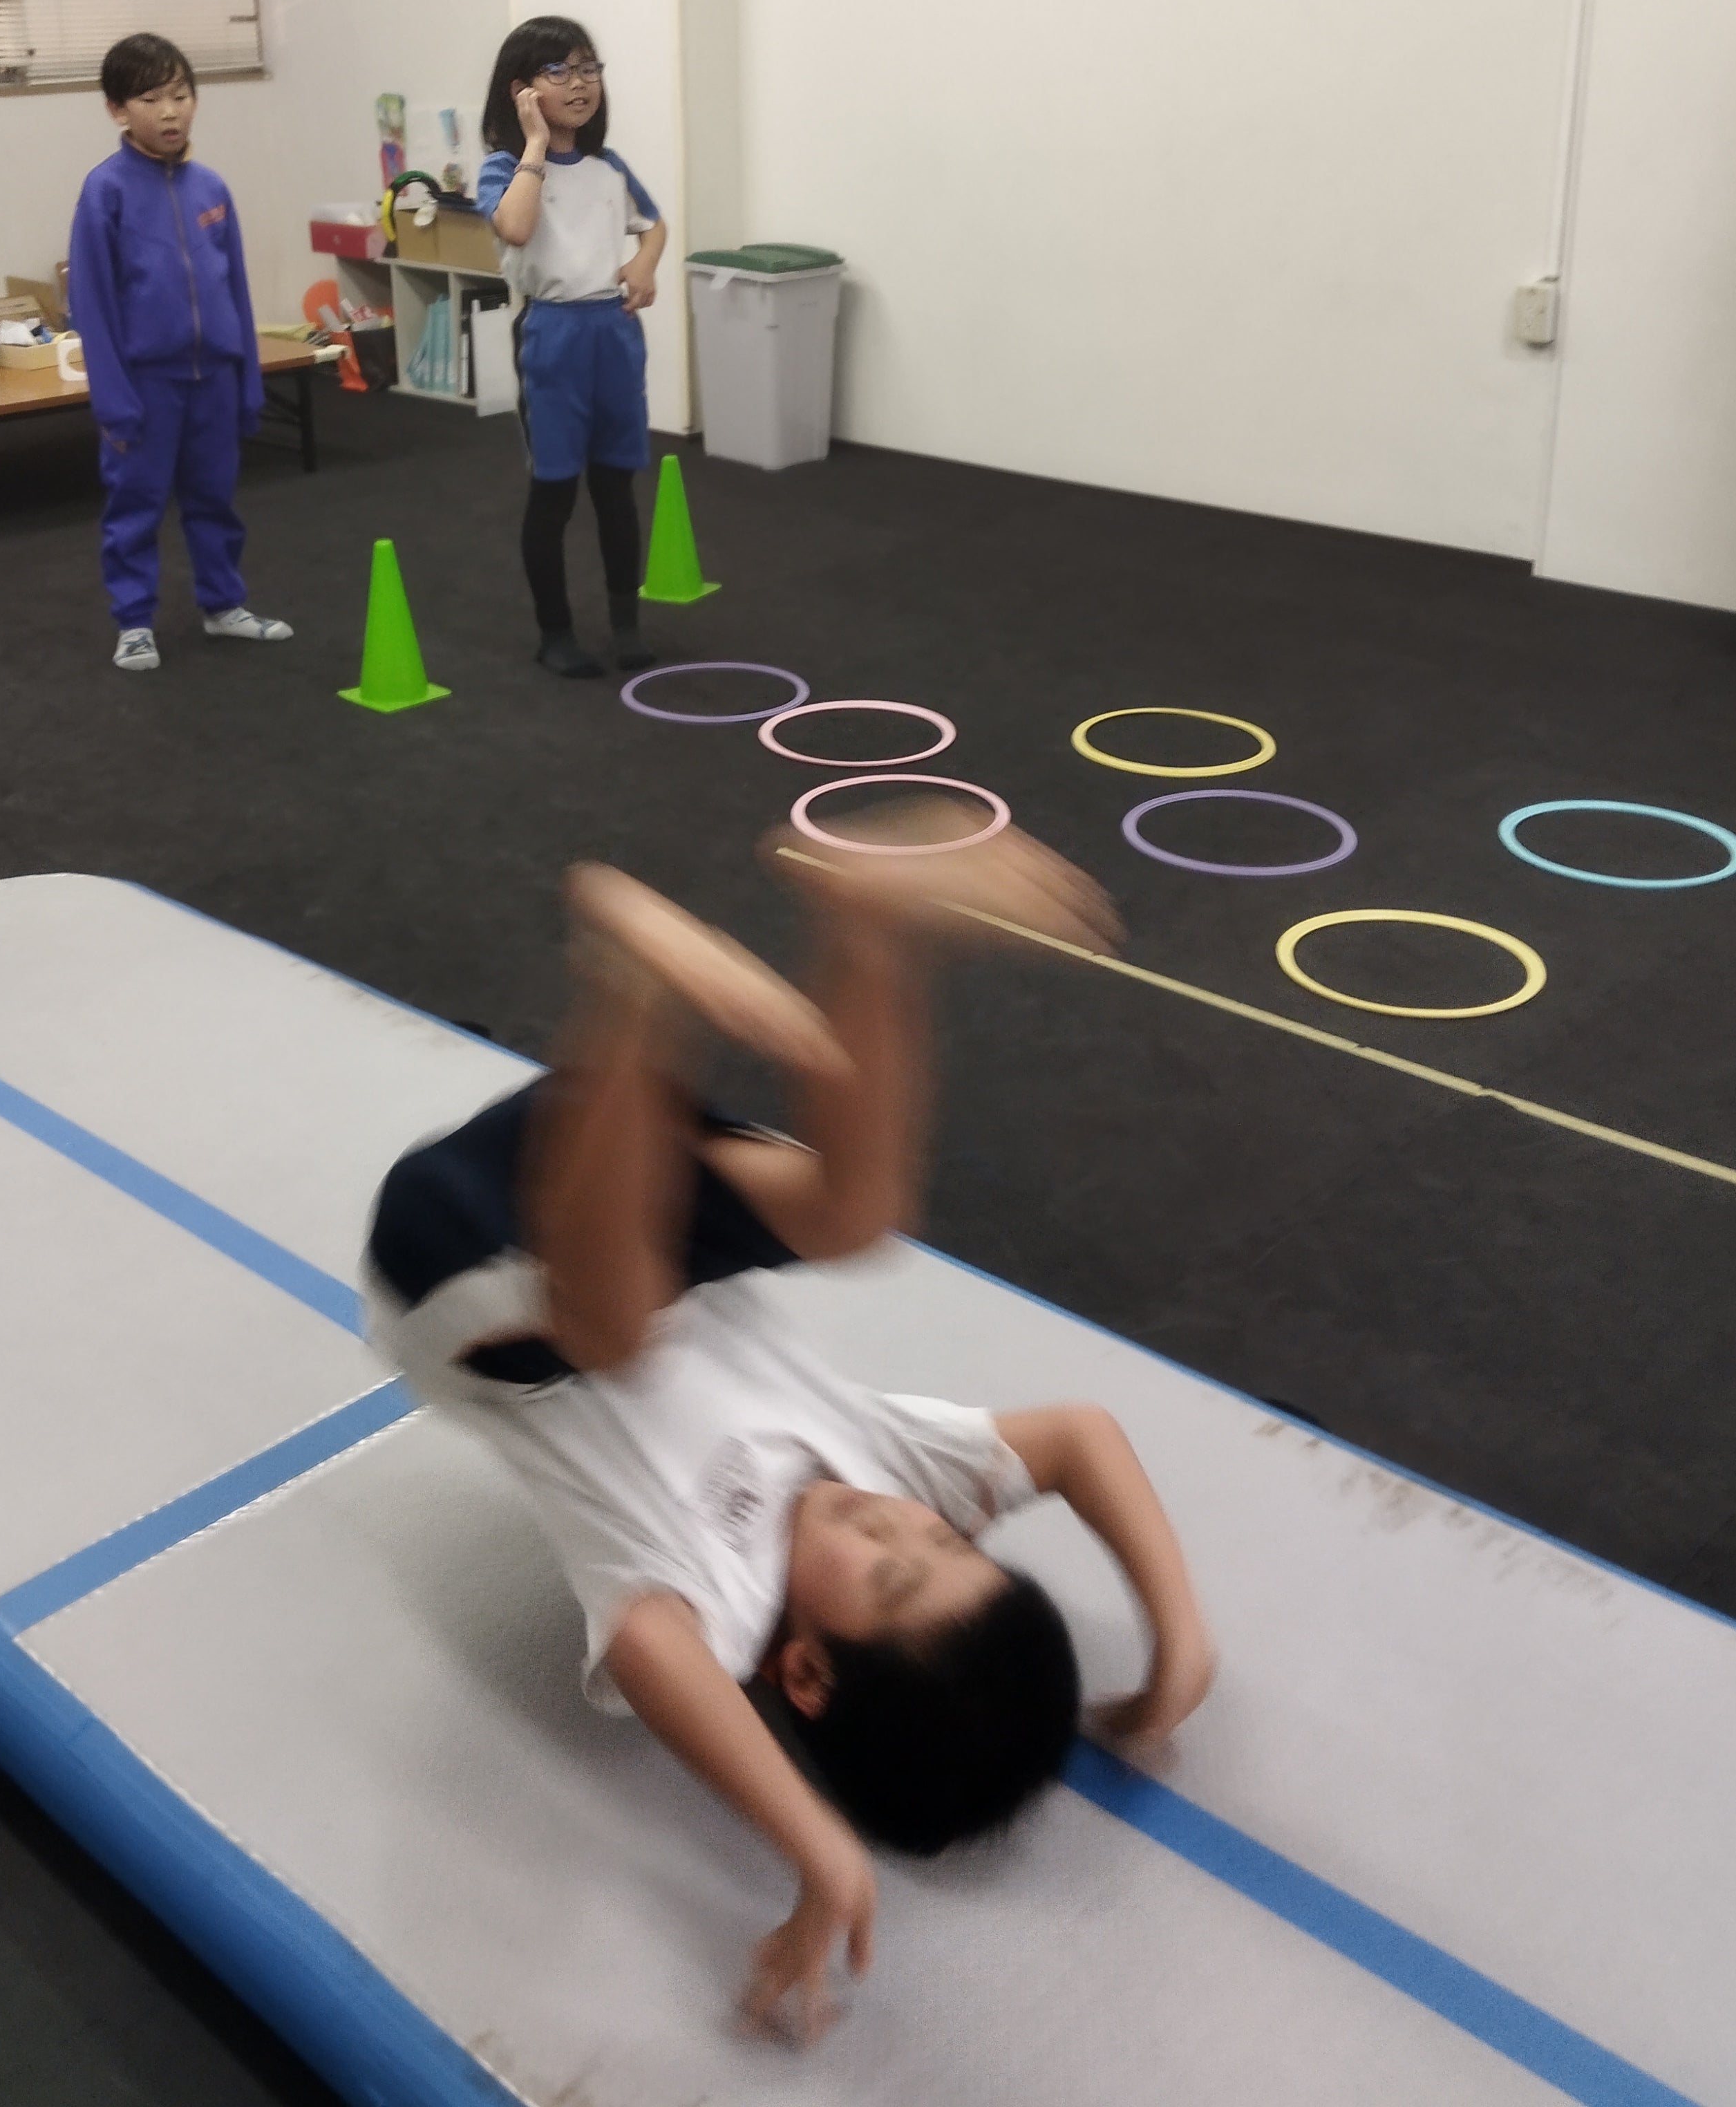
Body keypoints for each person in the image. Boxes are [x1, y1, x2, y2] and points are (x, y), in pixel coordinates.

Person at [361, 813, 1215, 2042]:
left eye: (892, 1574)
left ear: (803, 1671)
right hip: (622, 1171)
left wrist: (820, 1852)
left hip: (462, 1260)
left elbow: (652, 1658)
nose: (900, 1526)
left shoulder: (710, 1601)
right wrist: (1177, 1637)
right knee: (857, 1215)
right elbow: (1083, 1438)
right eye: (946, 1541)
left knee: (617, 1335)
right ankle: (861, 920)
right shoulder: (901, 1475)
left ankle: (631, 991)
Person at [67, 34, 292, 673]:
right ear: (117, 110)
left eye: (180, 95)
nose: (170, 112)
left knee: (214, 498)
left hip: (214, 378)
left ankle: (224, 605)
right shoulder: (105, 192)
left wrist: (248, 381)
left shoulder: (210, 187)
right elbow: (92, 307)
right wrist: (114, 402)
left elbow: (236, 289)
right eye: (150, 99)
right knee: (134, 506)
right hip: (145, 384)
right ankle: (135, 622)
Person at [475, 17, 667, 679]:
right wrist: (534, 142)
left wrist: (643, 265)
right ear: (521, 89)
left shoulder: (608, 166)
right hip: (551, 335)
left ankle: (626, 626)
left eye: (588, 68)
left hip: (613, 332)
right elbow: (516, 227)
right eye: (558, 71)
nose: (580, 84)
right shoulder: (504, 169)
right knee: (554, 490)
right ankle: (554, 634)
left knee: (616, 486)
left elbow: (654, 225)